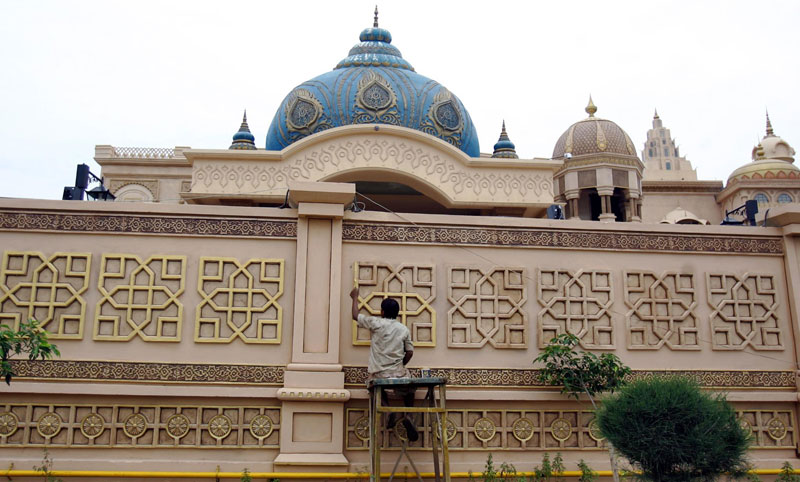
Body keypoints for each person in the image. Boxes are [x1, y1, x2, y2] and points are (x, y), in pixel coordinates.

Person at [350, 286, 418, 442]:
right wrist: (401, 364)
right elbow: (409, 352)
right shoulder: (403, 329)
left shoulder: (376, 323)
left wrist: (354, 298)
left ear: (382, 312)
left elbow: (355, 315)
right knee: (409, 390)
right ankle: (408, 415)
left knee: (374, 387)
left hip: (379, 373)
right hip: (399, 374)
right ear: (397, 313)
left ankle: (387, 411)